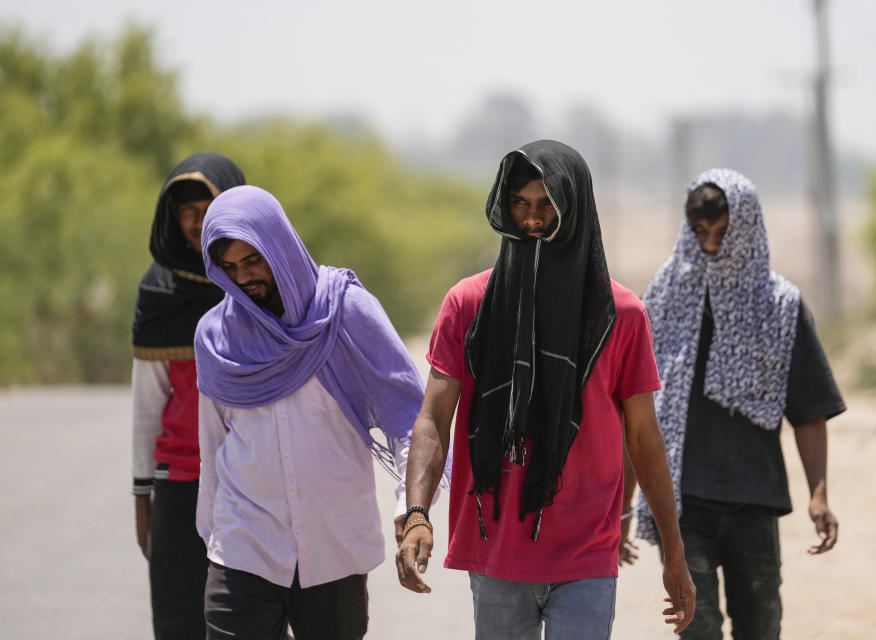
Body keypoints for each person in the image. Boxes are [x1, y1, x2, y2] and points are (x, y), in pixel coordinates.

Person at [396, 140, 695, 639]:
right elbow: (432, 417)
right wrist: (417, 513)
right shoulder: (468, 306)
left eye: (547, 205)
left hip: (586, 552)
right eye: (521, 204)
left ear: (575, 209)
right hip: (495, 550)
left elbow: (643, 439)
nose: (533, 220)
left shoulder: (619, 317)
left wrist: (675, 555)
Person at [623, 168, 845, 639]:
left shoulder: (780, 306)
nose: (709, 246)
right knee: (697, 629)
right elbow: (637, 416)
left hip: (754, 502)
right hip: (681, 504)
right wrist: (623, 504)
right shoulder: (660, 302)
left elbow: (808, 410)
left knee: (760, 627)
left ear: (747, 228)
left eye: (722, 234)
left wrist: (819, 494)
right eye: (700, 233)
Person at [194, 185, 423, 640]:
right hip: (244, 551)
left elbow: (408, 417)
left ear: (278, 248)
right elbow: (213, 445)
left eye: (253, 261)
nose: (243, 278)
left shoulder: (346, 313)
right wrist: (212, 536)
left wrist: (411, 508)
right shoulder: (216, 338)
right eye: (230, 268)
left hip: (334, 550)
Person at [131, 152, 245, 640]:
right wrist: (142, 497)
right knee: (179, 624)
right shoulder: (159, 293)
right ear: (172, 217)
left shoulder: (257, 282)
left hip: (250, 484)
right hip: (178, 484)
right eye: (188, 212)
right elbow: (146, 408)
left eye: (209, 208)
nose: (199, 222)